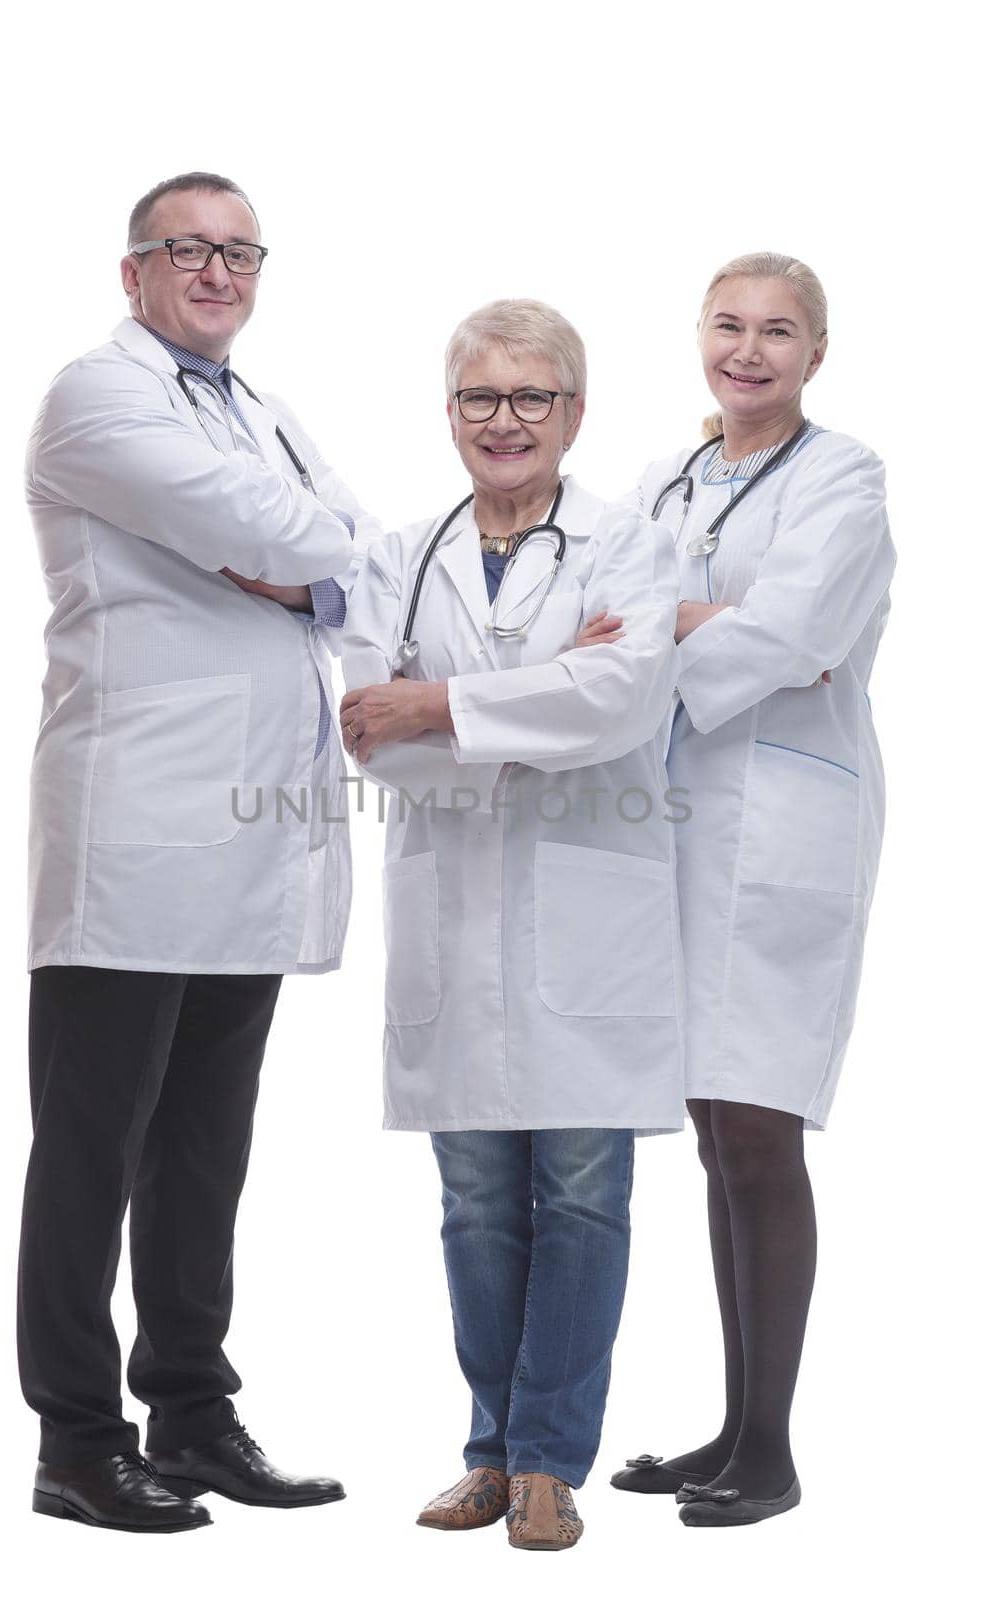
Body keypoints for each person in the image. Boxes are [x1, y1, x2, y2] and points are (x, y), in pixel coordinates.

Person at [19, 171, 381, 1533]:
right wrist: (293, 555)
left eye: (240, 251)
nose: (218, 271)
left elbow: (352, 555)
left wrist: (309, 566)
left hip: (249, 839)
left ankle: (190, 1410)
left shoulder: (263, 412)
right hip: (137, 830)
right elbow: (269, 532)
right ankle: (73, 1438)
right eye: (189, 249)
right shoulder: (92, 397)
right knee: (88, 1150)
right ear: (134, 273)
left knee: (202, 1150)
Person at [339, 299, 683, 1552]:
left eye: (532, 398)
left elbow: (623, 700)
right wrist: (507, 715)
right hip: (452, 919)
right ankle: (485, 1451)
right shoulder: (397, 553)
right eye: (480, 398)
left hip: (593, 923)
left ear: (574, 415)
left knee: (583, 1199)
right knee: (477, 1206)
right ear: (449, 415)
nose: (504, 421)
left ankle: (547, 1460)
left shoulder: (629, 549)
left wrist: (440, 703)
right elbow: (365, 728)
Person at [610, 253, 896, 1527]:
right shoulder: (669, 479)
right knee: (715, 1134)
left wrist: (670, 627)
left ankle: (769, 1451)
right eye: (728, 325)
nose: (749, 349)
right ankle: (731, 1426)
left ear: (814, 354)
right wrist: (683, 619)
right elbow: (601, 609)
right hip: (680, 822)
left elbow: (792, 635)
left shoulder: (842, 475)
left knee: (758, 1126)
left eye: (777, 331)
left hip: (780, 825)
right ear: (698, 339)